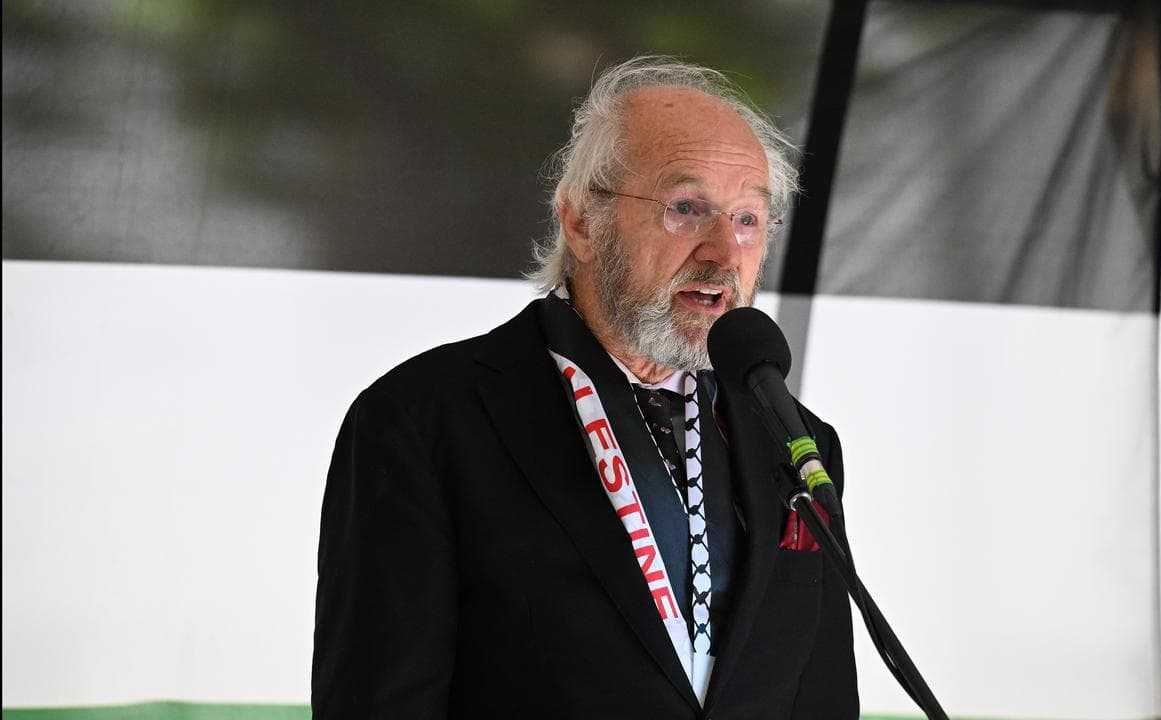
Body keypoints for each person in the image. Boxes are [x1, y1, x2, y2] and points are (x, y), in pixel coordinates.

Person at [312, 56, 858, 719]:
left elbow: (824, 698)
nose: (723, 251)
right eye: (687, 207)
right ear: (580, 222)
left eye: (748, 219)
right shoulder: (421, 422)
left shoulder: (796, 442)